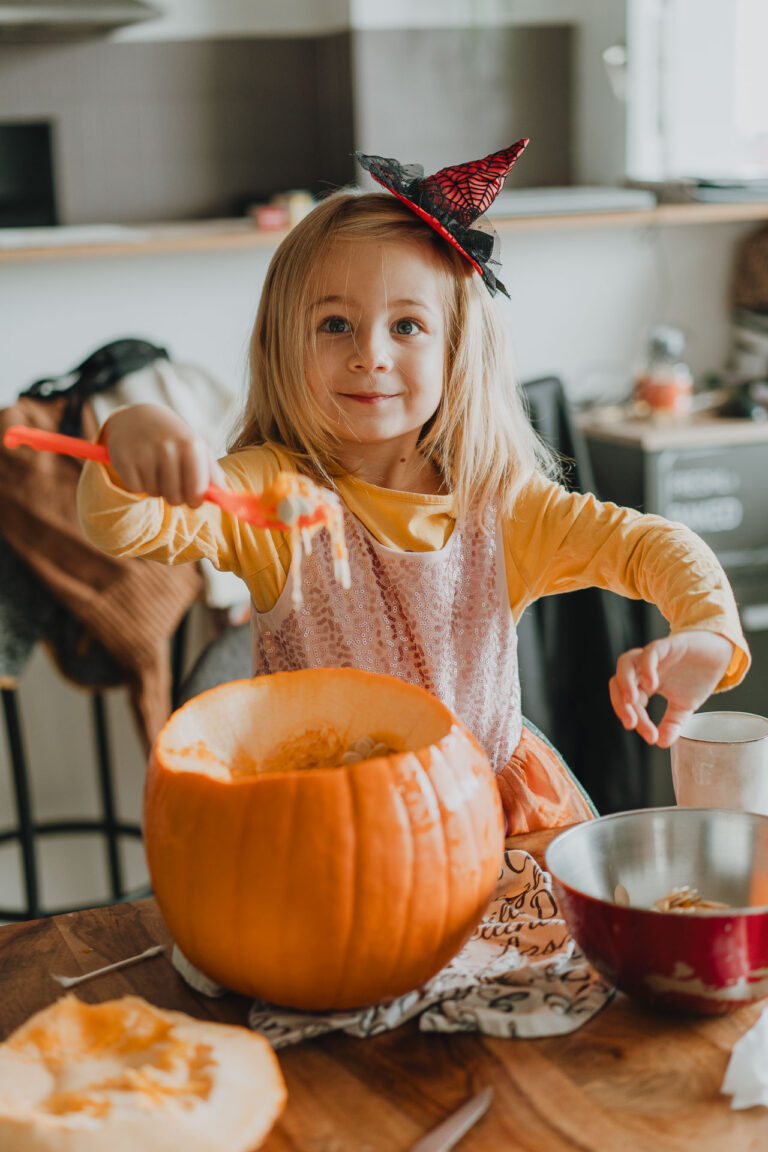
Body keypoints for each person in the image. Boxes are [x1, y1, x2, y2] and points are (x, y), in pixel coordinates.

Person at [77, 142, 750, 834]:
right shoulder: (272, 492)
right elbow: (129, 525)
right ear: (284, 346)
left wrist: (705, 630)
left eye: (407, 326)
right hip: (324, 831)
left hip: (485, 824)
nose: (371, 353)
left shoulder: (506, 510)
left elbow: (652, 546)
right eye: (334, 324)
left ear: (456, 352)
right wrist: (133, 433)